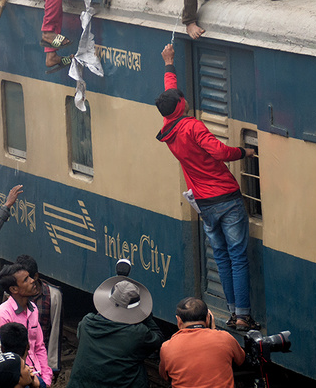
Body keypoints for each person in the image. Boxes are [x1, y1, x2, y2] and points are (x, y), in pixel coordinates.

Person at [157, 44, 257, 329]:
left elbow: (169, 92)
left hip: (204, 203)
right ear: (181, 105)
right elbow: (221, 153)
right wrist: (243, 152)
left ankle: (233, 312)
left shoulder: (169, 126)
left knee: (222, 256)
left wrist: (169, 64)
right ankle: (244, 315)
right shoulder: (192, 127)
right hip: (225, 197)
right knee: (237, 256)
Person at [68, 269, 162, 388]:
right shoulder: (137, 333)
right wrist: (145, 314)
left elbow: (80, 335)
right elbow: (158, 338)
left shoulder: (87, 323)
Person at [157, 297, 245, 388]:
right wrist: (214, 330)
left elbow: (165, 376)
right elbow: (240, 359)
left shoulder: (167, 347)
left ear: (178, 320)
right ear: (208, 318)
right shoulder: (225, 338)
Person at [0, 265, 52, 385]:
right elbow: (5, 356)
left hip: (38, 377)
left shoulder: (33, 308)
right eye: (25, 280)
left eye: (29, 276)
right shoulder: (3, 315)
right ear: (14, 289)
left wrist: (46, 378)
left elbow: (39, 346)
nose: (32, 280)